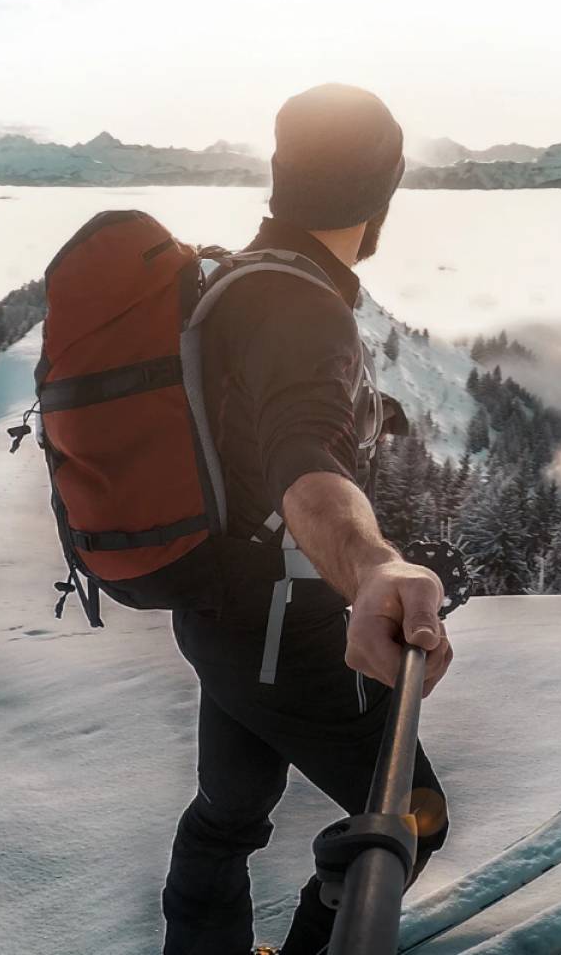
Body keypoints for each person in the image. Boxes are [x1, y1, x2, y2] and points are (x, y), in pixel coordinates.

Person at [160, 83, 455, 955]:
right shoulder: (303, 306)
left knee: (230, 810)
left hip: (217, 614)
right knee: (407, 821)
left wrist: (365, 414)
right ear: (380, 200)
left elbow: (269, 428)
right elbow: (299, 461)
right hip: (284, 630)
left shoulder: (233, 280)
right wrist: (371, 566)